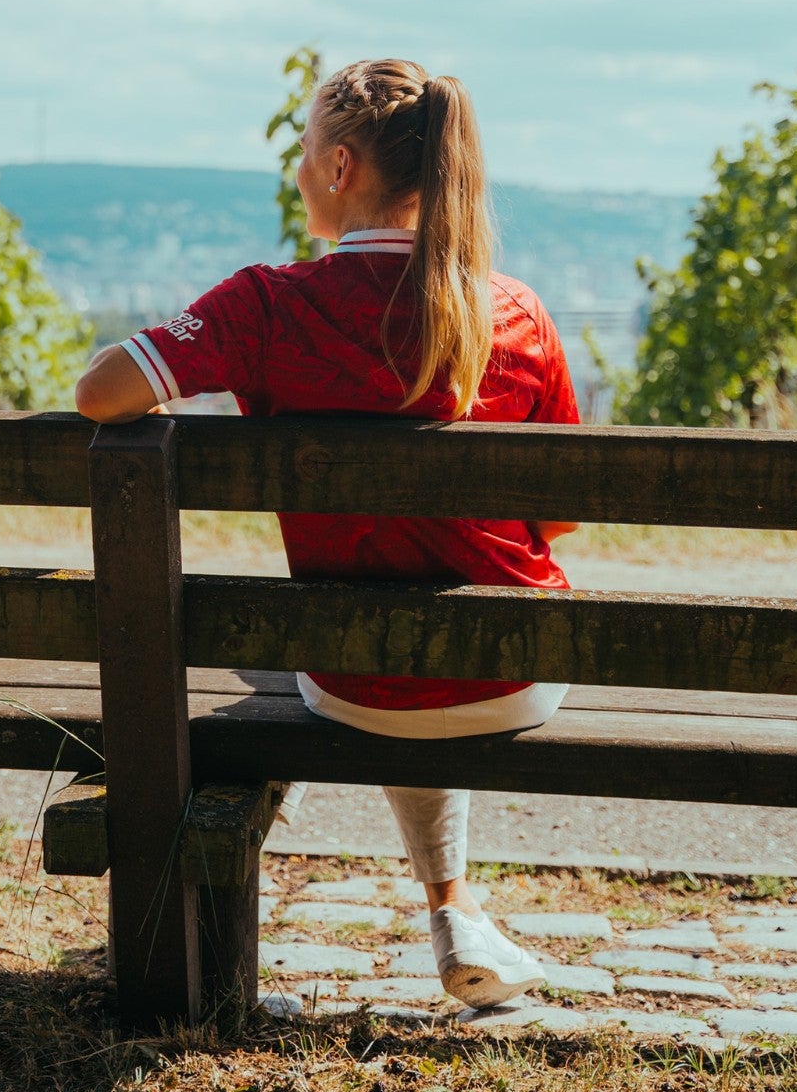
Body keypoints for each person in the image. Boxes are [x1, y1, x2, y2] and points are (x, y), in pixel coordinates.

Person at [75, 59, 579, 1009]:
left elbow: (101, 391)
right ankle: (454, 908)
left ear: (342, 165)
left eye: (303, 153)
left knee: (338, 645)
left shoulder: (266, 305)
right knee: (429, 625)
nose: (297, 172)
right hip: (515, 675)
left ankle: (443, 906)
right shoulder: (514, 313)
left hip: (351, 684)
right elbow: (555, 515)